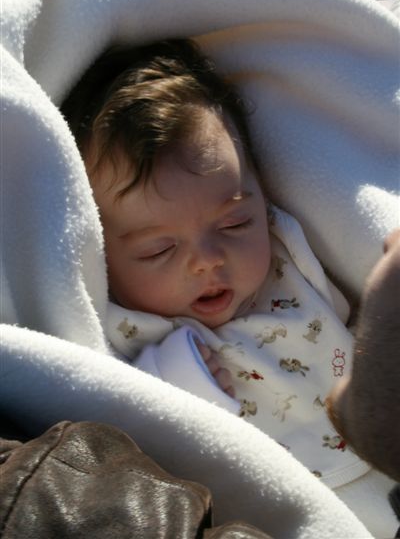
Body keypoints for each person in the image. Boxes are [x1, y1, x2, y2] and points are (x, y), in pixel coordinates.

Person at [62, 38, 399, 537]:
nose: (208, 260)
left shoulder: (283, 254)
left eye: (235, 223)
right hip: (287, 511)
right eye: (159, 250)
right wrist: (174, 376)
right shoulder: (132, 327)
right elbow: (131, 420)